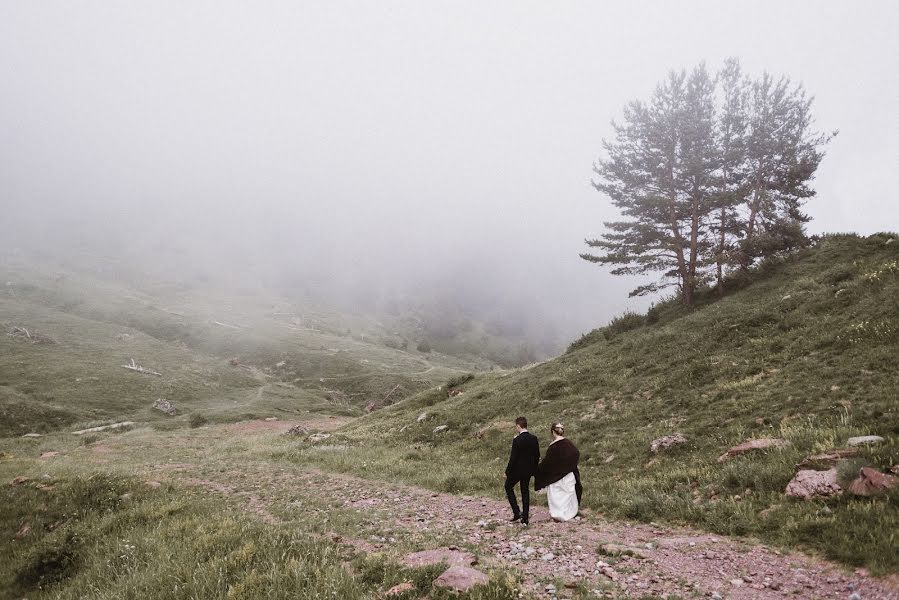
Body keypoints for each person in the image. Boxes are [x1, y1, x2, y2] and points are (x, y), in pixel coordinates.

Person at [534, 422, 582, 522]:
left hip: (556, 477)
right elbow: (576, 454)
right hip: (568, 475)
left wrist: (538, 469)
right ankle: (570, 513)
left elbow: (548, 462)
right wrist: (569, 466)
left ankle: (558, 515)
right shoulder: (569, 444)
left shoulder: (553, 446)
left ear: (552, 432)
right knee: (567, 495)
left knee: (557, 495)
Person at [504, 416, 539, 526]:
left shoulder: (517, 440)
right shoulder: (534, 438)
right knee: (525, 491)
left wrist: (507, 472)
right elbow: (537, 455)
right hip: (528, 470)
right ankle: (525, 517)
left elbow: (513, 458)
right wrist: (534, 468)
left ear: (518, 426)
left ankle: (516, 511)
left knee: (508, 486)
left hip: (517, 470)